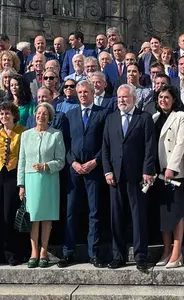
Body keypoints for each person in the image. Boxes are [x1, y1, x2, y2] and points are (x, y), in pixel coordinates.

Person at [102, 84, 157, 270]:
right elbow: (105, 147)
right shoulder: (111, 119)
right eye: (119, 98)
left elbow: (150, 146)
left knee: (138, 216)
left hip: (137, 176)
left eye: (125, 97)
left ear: (133, 98)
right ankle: (118, 255)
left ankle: (141, 256)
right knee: (116, 217)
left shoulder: (144, 118)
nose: (121, 101)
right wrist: (107, 170)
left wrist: (147, 170)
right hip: (115, 177)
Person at [61, 81, 108, 268]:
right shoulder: (70, 114)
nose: (82, 94)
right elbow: (64, 143)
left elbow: (106, 142)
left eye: (85, 91)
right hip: (74, 171)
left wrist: (95, 161)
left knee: (94, 212)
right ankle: (68, 252)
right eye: (79, 92)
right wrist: (73, 162)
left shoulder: (102, 113)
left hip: (94, 170)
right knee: (71, 212)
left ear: (92, 93)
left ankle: (93, 253)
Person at [17, 103, 66, 268]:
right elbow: (21, 162)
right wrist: (21, 185)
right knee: (33, 217)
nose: (41, 116)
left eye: (45, 114)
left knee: (46, 217)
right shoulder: (26, 135)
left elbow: (61, 161)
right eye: (38, 113)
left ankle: (44, 251)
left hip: (49, 179)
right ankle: (34, 251)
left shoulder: (56, 135)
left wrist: (47, 166)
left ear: (49, 117)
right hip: (31, 180)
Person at [152, 86, 184, 269]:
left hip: (174, 173)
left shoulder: (181, 116)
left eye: (166, 97)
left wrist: (172, 167)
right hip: (158, 174)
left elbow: (182, 143)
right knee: (163, 213)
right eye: (160, 97)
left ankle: (177, 251)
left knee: (176, 212)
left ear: (173, 99)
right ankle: (166, 250)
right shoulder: (154, 118)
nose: (163, 100)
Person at [0, 102, 27, 266]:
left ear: (14, 115)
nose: (4, 117)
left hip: (14, 174)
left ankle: (13, 253)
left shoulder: (23, 132)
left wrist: (22, 183)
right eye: (1, 114)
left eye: (7, 114)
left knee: (10, 213)